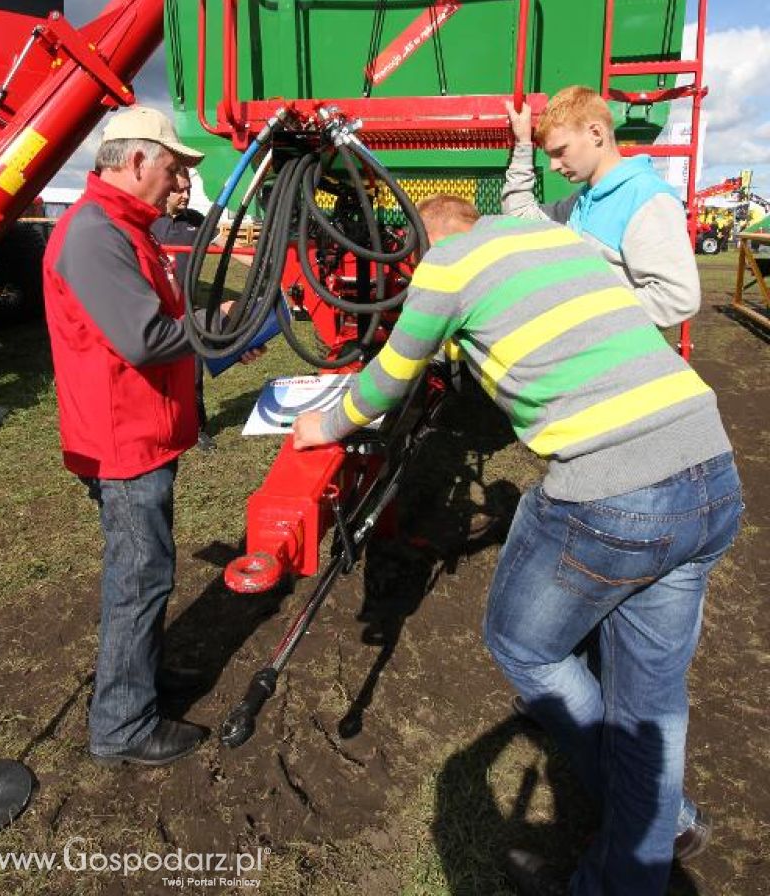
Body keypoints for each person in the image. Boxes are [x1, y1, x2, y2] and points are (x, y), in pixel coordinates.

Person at [292, 194, 742, 896]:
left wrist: (325, 426)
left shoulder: (447, 263)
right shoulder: (556, 239)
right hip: (710, 470)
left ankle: (644, 812)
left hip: (614, 488)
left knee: (525, 646)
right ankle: (653, 839)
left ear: (428, 240)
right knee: (652, 700)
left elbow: (388, 379)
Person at [43, 105, 263, 767]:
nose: (177, 184)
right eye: (171, 168)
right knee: (139, 579)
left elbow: (155, 323)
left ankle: (138, 682)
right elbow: (142, 338)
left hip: (140, 431)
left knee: (144, 573)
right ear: (136, 160)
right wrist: (222, 322)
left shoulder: (120, 227)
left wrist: (213, 338)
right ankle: (122, 726)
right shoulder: (95, 234)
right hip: (122, 442)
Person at [503, 85, 700, 328]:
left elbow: (677, 298)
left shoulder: (646, 199)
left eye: (560, 151)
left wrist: (581, 311)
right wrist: (523, 144)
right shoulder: (581, 202)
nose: (553, 166)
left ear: (596, 133)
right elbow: (520, 219)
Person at [152, 166, 217, 451]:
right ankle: (160, 429)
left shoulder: (196, 221)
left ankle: (197, 428)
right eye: (180, 190)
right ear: (166, 189)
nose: (186, 195)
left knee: (193, 373)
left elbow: (223, 245)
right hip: (157, 310)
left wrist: (264, 266)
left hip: (187, 310)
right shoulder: (150, 223)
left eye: (189, 190)